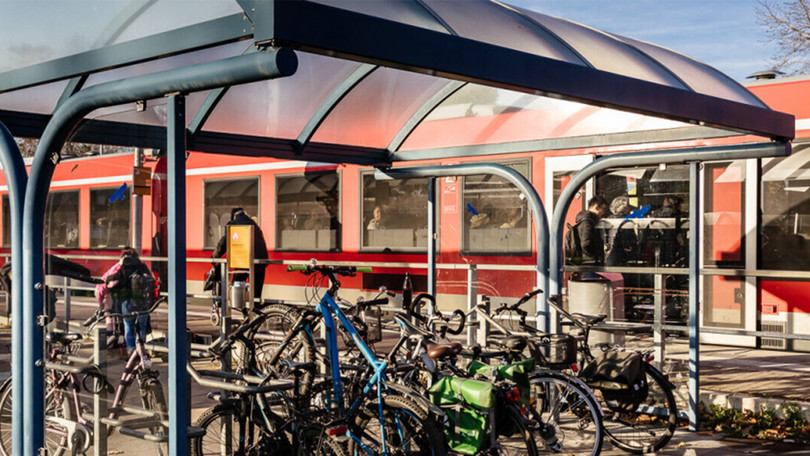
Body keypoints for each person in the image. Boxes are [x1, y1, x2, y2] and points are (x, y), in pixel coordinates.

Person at [213, 207, 269, 302]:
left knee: (237, 286)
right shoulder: (254, 224)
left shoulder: (233, 224)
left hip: (244, 260)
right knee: (256, 292)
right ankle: (255, 312)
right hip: (261, 261)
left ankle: (234, 306)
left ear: (234, 216)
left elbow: (224, 243)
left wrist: (215, 256)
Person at [105, 248, 153, 353]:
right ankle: (140, 350)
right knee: (141, 328)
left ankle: (130, 350)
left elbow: (111, 281)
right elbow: (150, 281)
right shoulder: (142, 266)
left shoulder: (124, 268)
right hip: (142, 302)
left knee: (129, 327)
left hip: (126, 303)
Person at [575, 195, 609, 266]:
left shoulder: (590, 220)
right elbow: (586, 243)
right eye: (604, 209)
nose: (604, 212)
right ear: (596, 207)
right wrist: (596, 254)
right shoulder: (588, 221)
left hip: (588, 260)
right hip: (589, 262)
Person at [605, 196, 638, 266]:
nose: (630, 210)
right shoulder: (626, 222)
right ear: (624, 208)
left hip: (607, 257)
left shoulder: (607, 220)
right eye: (629, 207)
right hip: (621, 258)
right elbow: (631, 241)